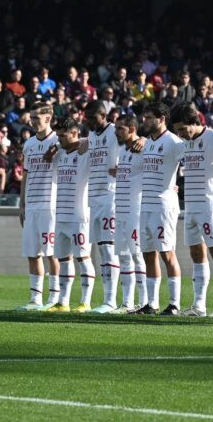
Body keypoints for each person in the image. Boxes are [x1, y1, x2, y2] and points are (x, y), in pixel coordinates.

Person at [171, 104, 213, 317]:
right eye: (178, 130)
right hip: (191, 205)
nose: (181, 133)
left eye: (183, 129)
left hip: (210, 204)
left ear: (195, 122)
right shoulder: (184, 144)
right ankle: (199, 305)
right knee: (196, 253)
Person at [137, 102, 185, 315]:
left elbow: (190, 164)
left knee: (167, 253)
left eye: (148, 117)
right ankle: (152, 303)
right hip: (145, 205)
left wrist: (178, 187)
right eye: (144, 117)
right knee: (148, 254)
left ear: (162, 118)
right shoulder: (146, 143)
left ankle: (174, 304)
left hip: (163, 206)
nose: (144, 121)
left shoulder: (174, 142)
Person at [45, 118, 94, 312]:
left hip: (79, 215)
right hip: (61, 214)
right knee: (63, 259)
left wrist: (78, 141)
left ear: (74, 133)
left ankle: (85, 301)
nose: (59, 140)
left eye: (62, 136)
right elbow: (46, 159)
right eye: (57, 136)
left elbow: (94, 140)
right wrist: (56, 146)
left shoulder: (85, 153)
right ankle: (63, 302)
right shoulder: (60, 154)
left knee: (83, 258)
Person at [16, 102, 59, 310]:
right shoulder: (29, 144)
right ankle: (35, 299)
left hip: (51, 205)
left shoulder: (59, 140)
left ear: (48, 118)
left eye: (36, 118)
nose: (32, 121)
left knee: (52, 253)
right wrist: (22, 203)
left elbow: (84, 142)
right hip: (31, 205)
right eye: (31, 117)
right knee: (32, 253)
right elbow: (25, 175)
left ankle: (55, 298)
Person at [82, 100, 121, 313]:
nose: (88, 121)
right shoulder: (91, 136)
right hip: (93, 198)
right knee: (99, 248)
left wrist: (141, 139)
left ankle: (111, 300)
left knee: (109, 248)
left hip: (110, 196)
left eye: (92, 117)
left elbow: (137, 140)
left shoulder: (115, 131)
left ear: (103, 115)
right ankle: (107, 300)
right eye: (86, 118)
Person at [112, 115, 148, 313]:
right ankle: (127, 303)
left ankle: (145, 302)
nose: (116, 132)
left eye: (120, 129)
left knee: (137, 255)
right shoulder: (123, 150)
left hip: (136, 210)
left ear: (132, 128)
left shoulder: (144, 146)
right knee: (124, 256)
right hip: (121, 209)